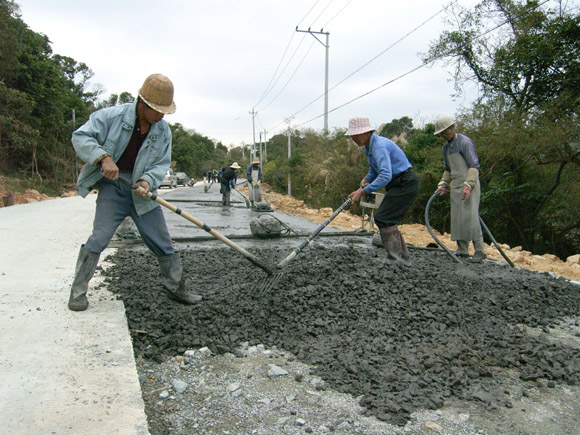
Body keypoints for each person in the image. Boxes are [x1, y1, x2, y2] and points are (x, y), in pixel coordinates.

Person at [67, 73, 201, 312]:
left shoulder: (163, 131)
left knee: (162, 241)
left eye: (165, 111)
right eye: (158, 109)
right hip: (113, 188)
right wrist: (103, 157)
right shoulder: (110, 117)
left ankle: (175, 287)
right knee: (99, 238)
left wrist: (147, 180)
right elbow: (81, 136)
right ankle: (78, 292)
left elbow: (161, 163)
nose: (161, 115)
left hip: (141, 192)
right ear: (143, 104)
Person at [346, 116, 420, 264]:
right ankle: (402, 258)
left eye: (357, 134)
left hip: (405, 182)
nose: (354, 138)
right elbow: (374, 169)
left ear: (367, 132)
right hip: (398, 183)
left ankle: (396, 258)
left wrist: (363, 191)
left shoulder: (378, 146)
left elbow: (385, 175)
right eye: (352, 135)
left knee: (384, 217)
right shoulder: (369, 147)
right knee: (386, 218)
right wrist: (367, 179)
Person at [434, 116, 486, 263]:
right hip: (456, 186)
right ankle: (462, 250)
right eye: (442, 133)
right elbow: (448, 169)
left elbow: (474, 166)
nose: (445, 134)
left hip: (470, 185)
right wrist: (443, 184)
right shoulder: (446, 148)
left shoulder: (464, 142)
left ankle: (479, 251)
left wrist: (469, 185)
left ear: (453, 127)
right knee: (457, 218)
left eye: (447, 130)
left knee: (471, 217)